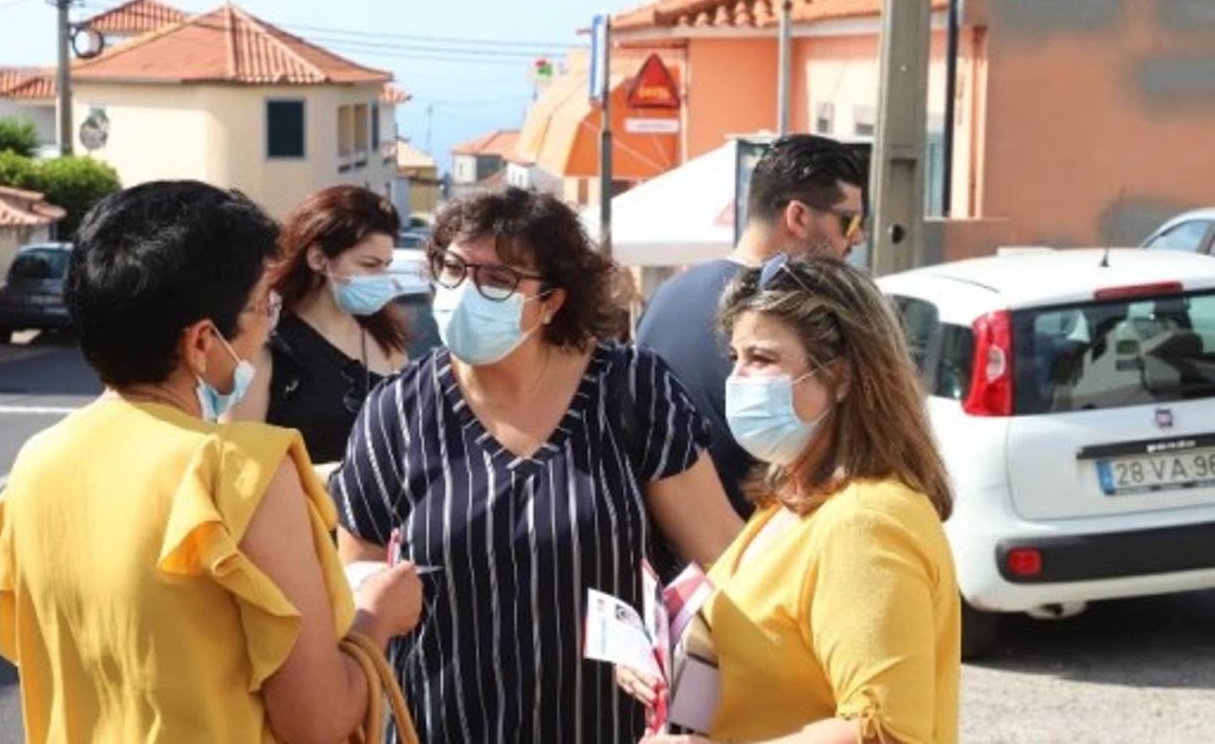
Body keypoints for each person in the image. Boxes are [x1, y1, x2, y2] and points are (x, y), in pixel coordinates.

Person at [0, 181, 422, 744]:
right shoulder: (242, 471)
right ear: (202, 342)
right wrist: (377, 616)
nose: (267, 326)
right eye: (260, 308)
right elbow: (318, 722)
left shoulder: (38, 462)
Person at [331, 188, 744, 744]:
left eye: (498, 280)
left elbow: (728, 568)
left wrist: (699, 708)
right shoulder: (398, 411)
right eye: (452, 268)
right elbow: (357, 603)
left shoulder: (632, 390)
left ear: (552, 302)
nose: (464, 291)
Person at [620, 255, 960, 744]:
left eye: (762, 358)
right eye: (735, 358)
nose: (738, 379)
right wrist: (654, 657)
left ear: (842, 376)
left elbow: (884, 730)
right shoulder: (791, 499)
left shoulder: (865, 521)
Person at [635, 134, 866, 517]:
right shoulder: (788, 315)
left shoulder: (667, 295)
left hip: (672, 556)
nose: (857, 237)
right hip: (751, 550)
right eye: (849, 220)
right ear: (798, 217)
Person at [224, 185, 410, 465]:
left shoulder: (388, 341)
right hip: (299, 507)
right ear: (318, 259)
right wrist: (341, 479)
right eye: (370, 264)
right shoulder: (265, 348)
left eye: (386, 265)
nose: (381, 278)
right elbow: (241, 466)